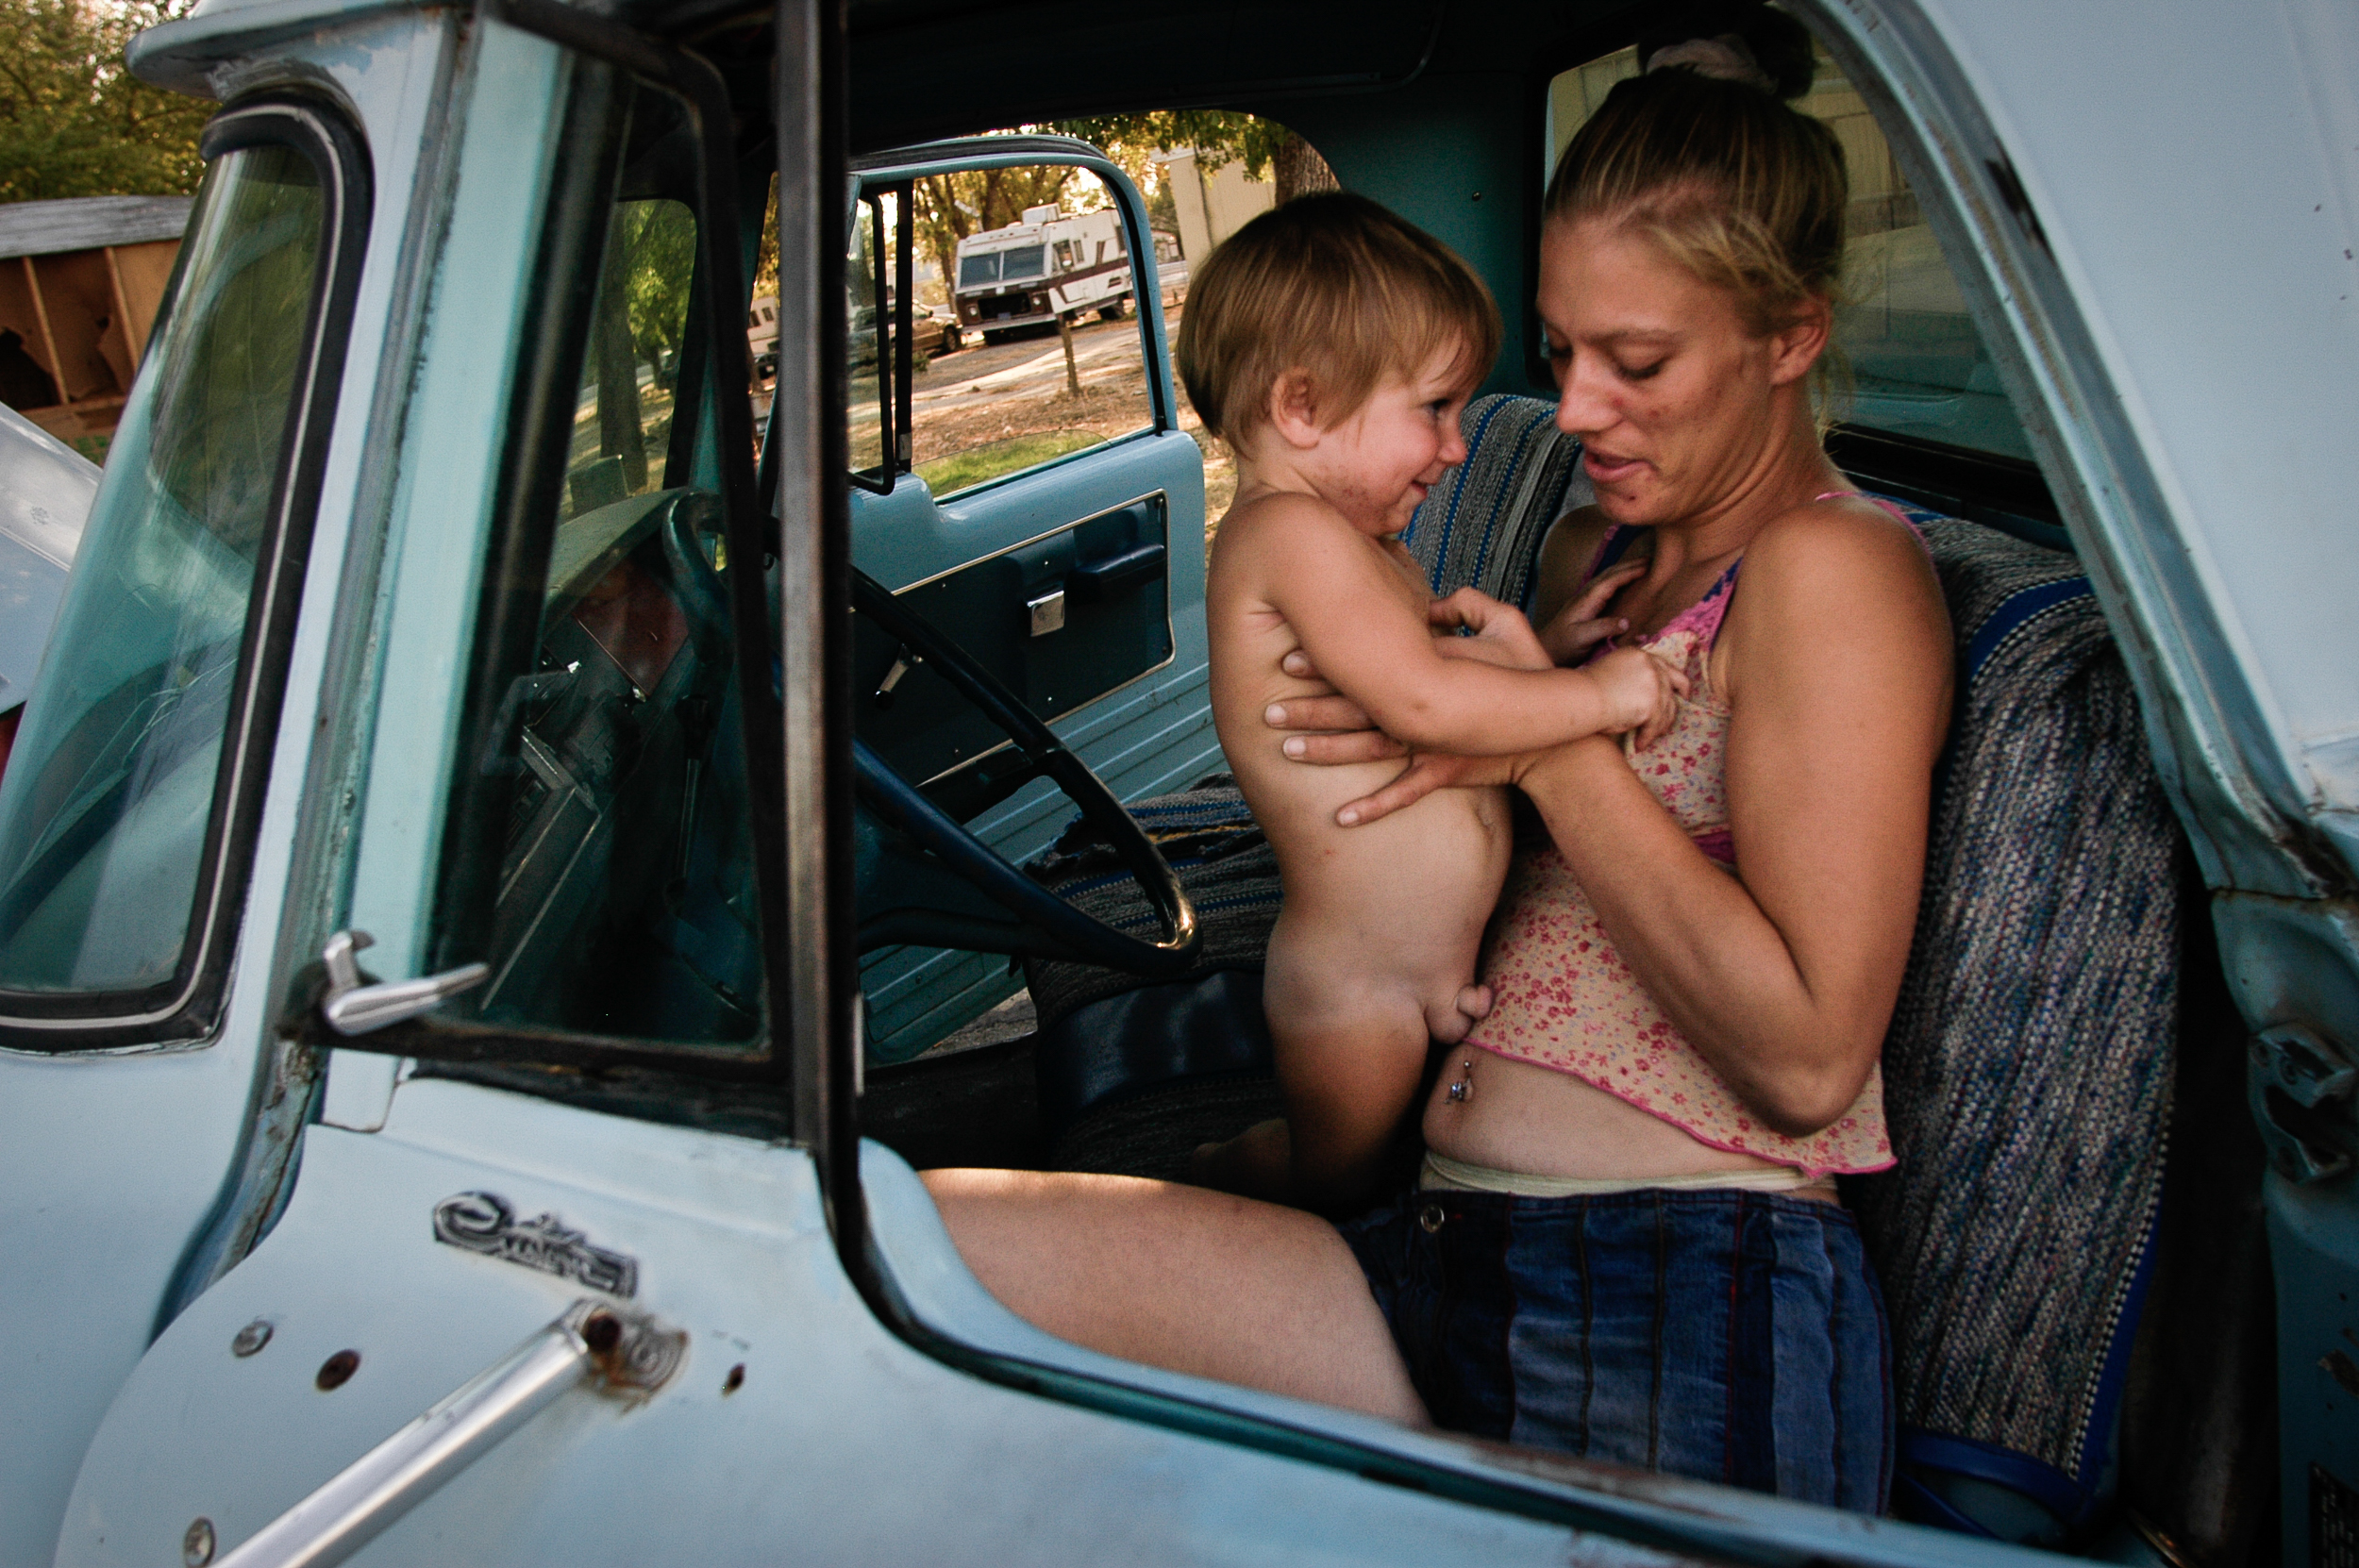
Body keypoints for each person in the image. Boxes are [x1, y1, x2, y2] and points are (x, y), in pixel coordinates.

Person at [926, 7, 1951, 1510]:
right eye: (1558, 355)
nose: (1574, 412)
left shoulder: (1832, 571)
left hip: (1663, 1278)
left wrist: (1537, 739)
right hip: (1434, 1229)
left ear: (1790, 336)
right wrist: (1497, 694)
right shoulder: (1602, 543)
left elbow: (1807, 1058)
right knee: (879, 1249)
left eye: (1639, 360)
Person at [1180, 192, 1684, 1212]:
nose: (1457, 448)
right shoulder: (1286, 538)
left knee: (1395, 1181)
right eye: (1433, 409)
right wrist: (1594, 693)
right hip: (1356, 990)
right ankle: (1197, 1190)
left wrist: (1534, 649)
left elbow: (1427, 679)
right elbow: (1425, 704)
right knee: (1336, 1188)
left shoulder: (1364, 543)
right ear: (1302, 407)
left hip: (1429, 968)